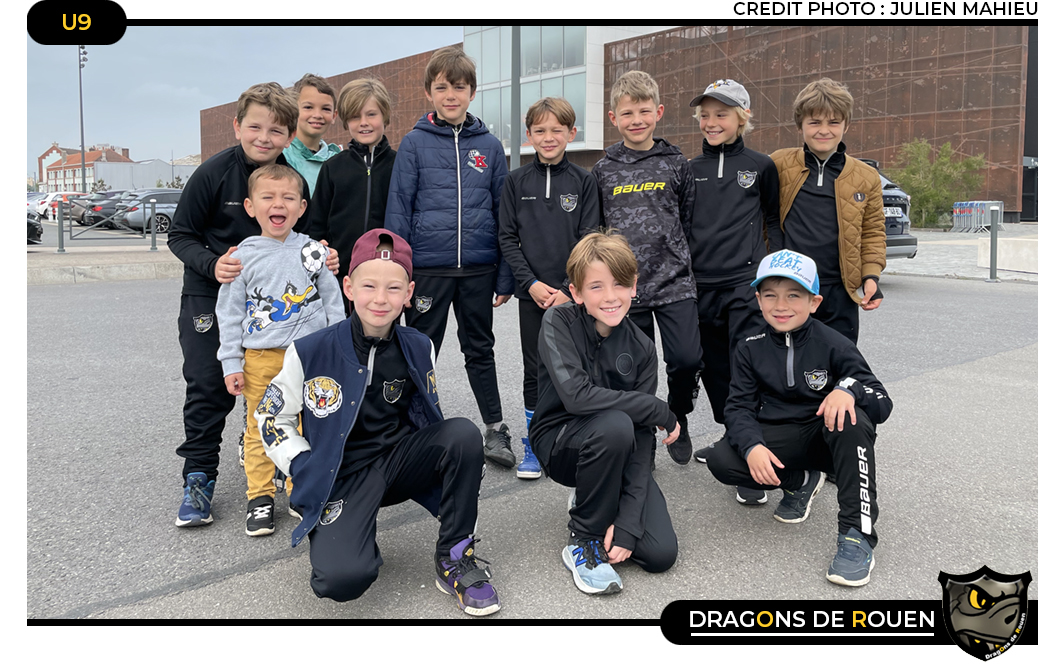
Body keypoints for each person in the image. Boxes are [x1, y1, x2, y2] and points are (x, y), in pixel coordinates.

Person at [256, 229, 500, 616]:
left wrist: (453, 472)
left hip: (398, 462)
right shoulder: (310, 350)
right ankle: (352, 532)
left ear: (409, 293)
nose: (380, 299)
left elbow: (426, 413)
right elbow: (270, 416)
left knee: (463, 434)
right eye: (369, 286)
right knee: (341, 580)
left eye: (393, 288)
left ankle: (454, 557)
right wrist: (301, 464)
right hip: (343, 475)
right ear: (349, 287)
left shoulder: (419, 345)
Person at [169, 81, 334, 528]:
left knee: (287, 394)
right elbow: (180, 235)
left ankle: (277, 460)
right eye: (255, 127)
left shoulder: (291, 178)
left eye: (276, 130)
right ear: (237, 125)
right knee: (209, 385)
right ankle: (199, 477)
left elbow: (308, 236)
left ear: (289, 134)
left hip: (274, 309)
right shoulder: (213, 173)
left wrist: (325, 255)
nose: (264, 138)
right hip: (212, 290)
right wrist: (213, 264)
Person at [707, 249, 892, 586]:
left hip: (828, 441)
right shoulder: (750, 347)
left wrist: (848, 390)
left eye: (794, 295)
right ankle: (800, 482)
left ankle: (857, 536)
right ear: (758, 300)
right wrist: (752, 447)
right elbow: (738, 408)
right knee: (722, 459)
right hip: (783, 437)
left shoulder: (834, 343)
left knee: (852, 418)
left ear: (814, 302)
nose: (781, 305)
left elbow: (881, 401)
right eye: (770, 295)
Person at [384, 46, 515, 468]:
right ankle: (415, 430)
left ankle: (495, 428)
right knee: (421, 352)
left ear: (472, 92)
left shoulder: (489, 146)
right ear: (429, 92)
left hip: (478, 269)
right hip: (428, 270)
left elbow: (503, 213)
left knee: (480, 349)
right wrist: (399, 275)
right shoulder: (414, 143)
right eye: (442, 88)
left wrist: (504, 275)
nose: (451, 95)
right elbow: (399, 210)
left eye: (459, 87)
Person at [531, 231, 680, 595]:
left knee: (659, 553)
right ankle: (583, 539)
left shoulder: (642, 348)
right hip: (559, 442)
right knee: (615, 425)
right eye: (596, 286)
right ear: (577, 292)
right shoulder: (558, 322)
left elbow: (642, 437)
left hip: (619, 445)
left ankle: (594, 495)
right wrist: (656, 407)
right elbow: (577, 398)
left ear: (634, 286)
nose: (611, 296)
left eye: (620, 284)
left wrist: (627, 524)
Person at [216, 164, 345, 537]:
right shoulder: (241, 256)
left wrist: (338, 347)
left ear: (301, 208)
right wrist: (230, 363)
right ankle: (259, 496)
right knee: (262, 427)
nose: (279, 204)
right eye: (268, 197)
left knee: (308, 424)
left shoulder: (314, 251)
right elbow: (230, 314)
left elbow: (333, 302)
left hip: (310, 355)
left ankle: (298, 489)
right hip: (261, 359)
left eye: (288, 198)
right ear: (250, 206)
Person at [591, 69, 702, 468]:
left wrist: (678, 259)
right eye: (627, 113)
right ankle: (643, 439)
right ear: (613, 118)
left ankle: (677, 416)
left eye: (643, 111)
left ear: (658, 112)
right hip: (625, 287)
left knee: (686, 359)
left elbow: (687, 219)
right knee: (632, 370)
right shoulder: (603, 170)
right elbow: (597, 229)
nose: (636, 120)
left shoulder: (676, 163)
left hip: (674, 282)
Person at [686, 78, 782, 507]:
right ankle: (733, 437)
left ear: (742, 117)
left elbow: (773, 221)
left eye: (721, 114)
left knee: (749, 368)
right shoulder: (689, 169)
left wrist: (771, 274)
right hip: (700, 286)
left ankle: (751, 457)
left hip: (745, 286)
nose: (711, 122)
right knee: (715, 370)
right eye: (704, 115)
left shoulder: (761, 166)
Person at [498, 97, 599, 480]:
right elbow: (507, 238)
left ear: (572, 133)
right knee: (536, 369)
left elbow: (589, 238)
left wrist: (567, 289)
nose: (549, 137)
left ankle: (576, 439)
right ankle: (535, 443)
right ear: (528, 135)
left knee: (578, 367)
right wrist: (532, 284)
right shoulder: (515, 181)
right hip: (533, 296)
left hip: (573, 296)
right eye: (540, 130)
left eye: (557, 129)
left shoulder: (584, 181)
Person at [770, 78, 886, 345]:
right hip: (789, 287)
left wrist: (871, 275)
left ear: (846, 125)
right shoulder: (778, 164)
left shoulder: (866, 176)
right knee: (786, 361)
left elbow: (872, 232)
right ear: (800, 125)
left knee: (838, 361)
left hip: (840, 292)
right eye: (814, 122)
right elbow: (763, 221)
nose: (824, 130)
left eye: (833, 122)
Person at [310, 78, 397, 314]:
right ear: (346, 121)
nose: (364, 123)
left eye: (371, 114)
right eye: (355, 117)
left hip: (387, 276)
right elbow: (317, 225)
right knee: (342, 333)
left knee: (383, 333)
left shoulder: (400, 165)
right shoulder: (332, 167)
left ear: (385, 116)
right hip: (341, 276)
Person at [282, 73, 342, 197]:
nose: (317, 115)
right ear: (293, 110)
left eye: (326, 109)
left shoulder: (339, 160)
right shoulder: (280, 155)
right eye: (308, 107)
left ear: (334, 116)